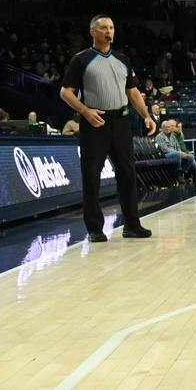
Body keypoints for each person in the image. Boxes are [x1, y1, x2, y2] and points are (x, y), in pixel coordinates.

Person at [57, 15, 155, 243]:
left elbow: (132, 92)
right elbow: (65, 92)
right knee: (91, 177)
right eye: (103, 28)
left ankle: (132, 225)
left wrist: (147, 116)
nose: (108, 31)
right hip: (95, 123)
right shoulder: (81, 59)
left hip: (121, 123)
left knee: (128, 175)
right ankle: (94, 228)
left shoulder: (122, 59)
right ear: (92, 32)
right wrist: (85, 111)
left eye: (111, 27)